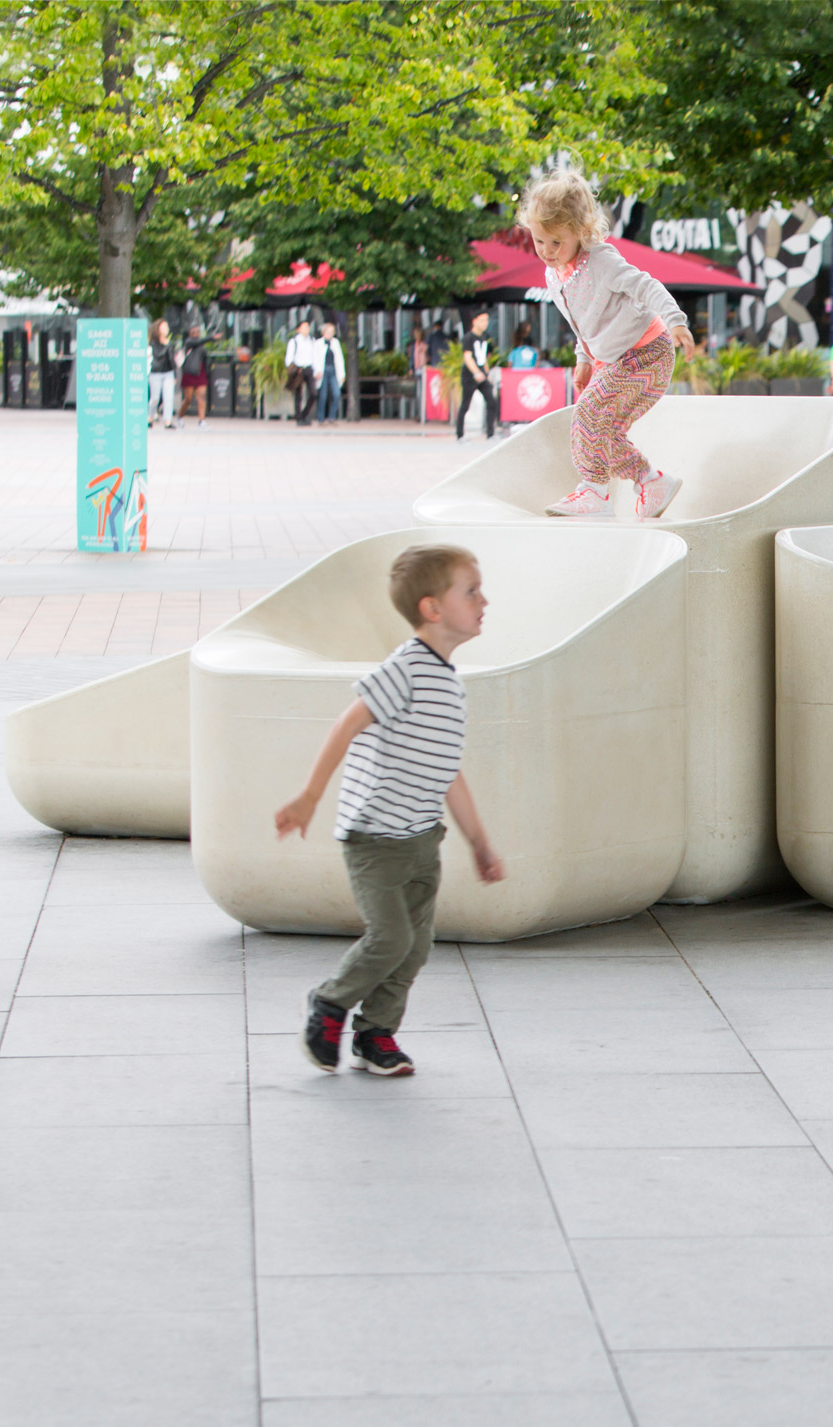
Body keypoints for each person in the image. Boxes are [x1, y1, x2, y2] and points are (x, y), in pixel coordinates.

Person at [274, 543, 507, 1077]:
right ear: (432, 608)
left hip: (422, 839)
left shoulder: (449, 684)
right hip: (375, 838)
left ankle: (376, 1035)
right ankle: (330, 1003)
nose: (484, 600)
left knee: (415, 947)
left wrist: (479, 843)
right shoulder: (404, 668)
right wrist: (311, 795)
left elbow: (450, 773)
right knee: (392, 937)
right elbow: (346, 724)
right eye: (471, 591)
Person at [523, 168, 697, 519]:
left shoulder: (600, 259)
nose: (547, 251)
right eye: (539, 241)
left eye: (557, 242)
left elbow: (646, 286)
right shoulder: (553, 275)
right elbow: (581, 321)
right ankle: (652, 481)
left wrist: (677, 320)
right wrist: (584, 358)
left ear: (581, 231)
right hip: (615, 361)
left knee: (588, 415)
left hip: (647, 352)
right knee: (603, 430)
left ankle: (595, 494)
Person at [455, 311, 496, 442]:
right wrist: (476, 373)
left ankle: (491, 433)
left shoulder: (484, 337)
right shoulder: (468, 337)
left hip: (482, 375)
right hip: (469, 376)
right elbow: (467, 357)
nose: (485, 323)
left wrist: (486, 374)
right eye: (482, 320)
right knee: (465, 404)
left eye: (487, 320)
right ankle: (460, 434)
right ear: (475, 321)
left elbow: (483, 358)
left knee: (491, 402)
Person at [284, 319, 323, 426]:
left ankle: (304, 414)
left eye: (308, 327)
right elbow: (289, 358)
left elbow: (315, 356)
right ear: (298, 329)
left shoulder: (312, 340)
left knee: (313, 393)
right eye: (304, 327)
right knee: (298, 395)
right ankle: (299, 418)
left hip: (309, 368)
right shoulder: (294, 341)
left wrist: (317, 369)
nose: (307, 329)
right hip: (299, 369)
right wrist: (294, 368)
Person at [147, 317, 179, 429]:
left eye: (167, 327)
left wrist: (174, 374)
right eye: (164, 327)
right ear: (158, 329)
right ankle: (150, 417)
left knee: (168, 397)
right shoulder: (152, 344)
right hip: (155, 373)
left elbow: (172, 360)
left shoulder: (169, 343)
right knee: (155, 398)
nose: (166, 329)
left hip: (168, 373)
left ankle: (167, 421)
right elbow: (156, 355)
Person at [316, 321, 348, 425]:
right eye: (328, 332)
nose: (330, 334)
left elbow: (340, 359)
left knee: (336, 393)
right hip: (323, 371)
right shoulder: (318, 343)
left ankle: (332, 417)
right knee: (323, 396)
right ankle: (321, 418)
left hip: (333, 371)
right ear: (323, 332)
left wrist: (342, 374)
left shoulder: (335, 343)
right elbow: (315, 359)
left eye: (332, 332)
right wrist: (316, 371)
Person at [180, 325, 212, 425]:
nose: (196, 334)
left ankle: (202, 420)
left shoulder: (201, 346)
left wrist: (207, 372)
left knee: (201, 396)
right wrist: (212, 337)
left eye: (197, 332)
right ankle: (180, 416)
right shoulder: (188, 342)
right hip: (189, 373)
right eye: (193, 332)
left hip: (200, 373)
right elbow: (197, 342)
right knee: (188, 399)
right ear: (190, 334)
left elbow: (205, 359)